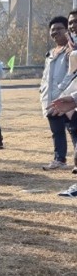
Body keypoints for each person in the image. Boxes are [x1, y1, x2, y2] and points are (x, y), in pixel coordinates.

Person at [39, 16, 76, 170]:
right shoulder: (50, 53)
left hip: (67, 98)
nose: (55, 33)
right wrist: (42, 90)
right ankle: (59, 159)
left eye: (59, 29)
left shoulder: (71, 50)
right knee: (57, 131)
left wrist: (62, 88)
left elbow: (72, 73)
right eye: (52, 30)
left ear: (67, 30)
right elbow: (46, 75)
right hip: (50, 98)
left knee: (74, 130)